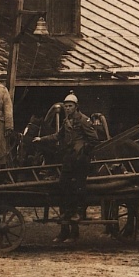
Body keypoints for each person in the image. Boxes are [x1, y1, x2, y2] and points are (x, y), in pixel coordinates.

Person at [35, 92, 99, 243]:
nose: (68, 108)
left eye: (70, 106)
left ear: (76, 107)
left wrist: (84, 151)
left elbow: (94, 139)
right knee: (63, 188)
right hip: (69, 160)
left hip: (80, 162)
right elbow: (57, 136)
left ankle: (75, 225)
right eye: (66, 106)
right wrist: (41, 139)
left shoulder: (84, 120)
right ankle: (65, 227)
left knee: (77, 189)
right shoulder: (66, 121)